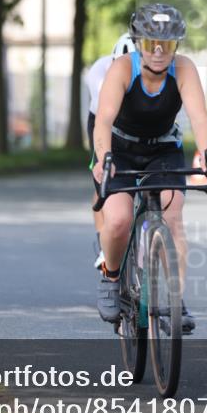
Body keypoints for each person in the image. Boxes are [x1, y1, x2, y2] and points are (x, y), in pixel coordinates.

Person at [92, 3, 207, 332]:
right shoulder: (123, 68)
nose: (159, 50)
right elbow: (103, 120)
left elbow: (199, 117)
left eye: (168, 42)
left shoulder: (185, 69)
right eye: (151, 42)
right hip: (120, 150)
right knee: (119, 219)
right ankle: (110, 277)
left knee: (172, 217)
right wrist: (103, 158)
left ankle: (175, 300)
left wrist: (206, 155)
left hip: (163, 149)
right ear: (138, 42)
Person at [85, 33, 136, 268]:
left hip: (136, 123)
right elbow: (105, 118)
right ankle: (101, 236)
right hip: (103, 119)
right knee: (104, 174)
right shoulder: (99, 71)